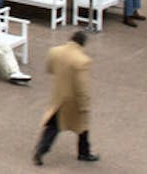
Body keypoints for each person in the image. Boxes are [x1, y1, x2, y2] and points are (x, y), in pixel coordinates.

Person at [33, 31, 98, 165]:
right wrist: (84, 104)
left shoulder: (55, 52)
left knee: (53, 127)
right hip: (73, 101)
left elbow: (50, 69)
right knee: (83, 127)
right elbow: (82, 86)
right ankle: (84, 153)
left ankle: (41, 150)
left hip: (59, 97)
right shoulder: (82, 61)